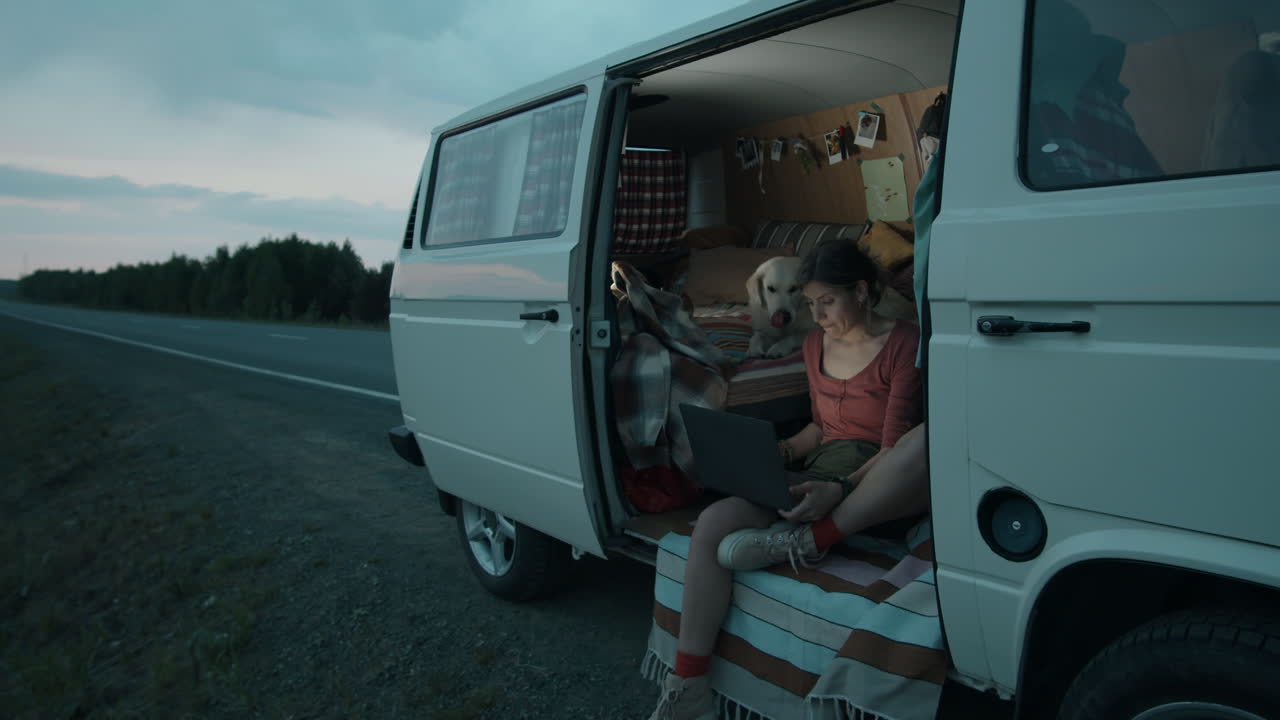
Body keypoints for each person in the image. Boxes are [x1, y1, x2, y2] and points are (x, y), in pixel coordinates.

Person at [647, 238, 924, 720]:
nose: (814, 315)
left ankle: (812, 538)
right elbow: (820, 428)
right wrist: (776, 453)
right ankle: (688, 685)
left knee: (920, 442)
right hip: (821, 474)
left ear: (861, 291)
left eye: (825, 302)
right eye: (809, 303)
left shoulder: (904, 342)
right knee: (713, 523)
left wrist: (840, 490)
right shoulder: (815, 342)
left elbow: (891, 446)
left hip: (877, 485)